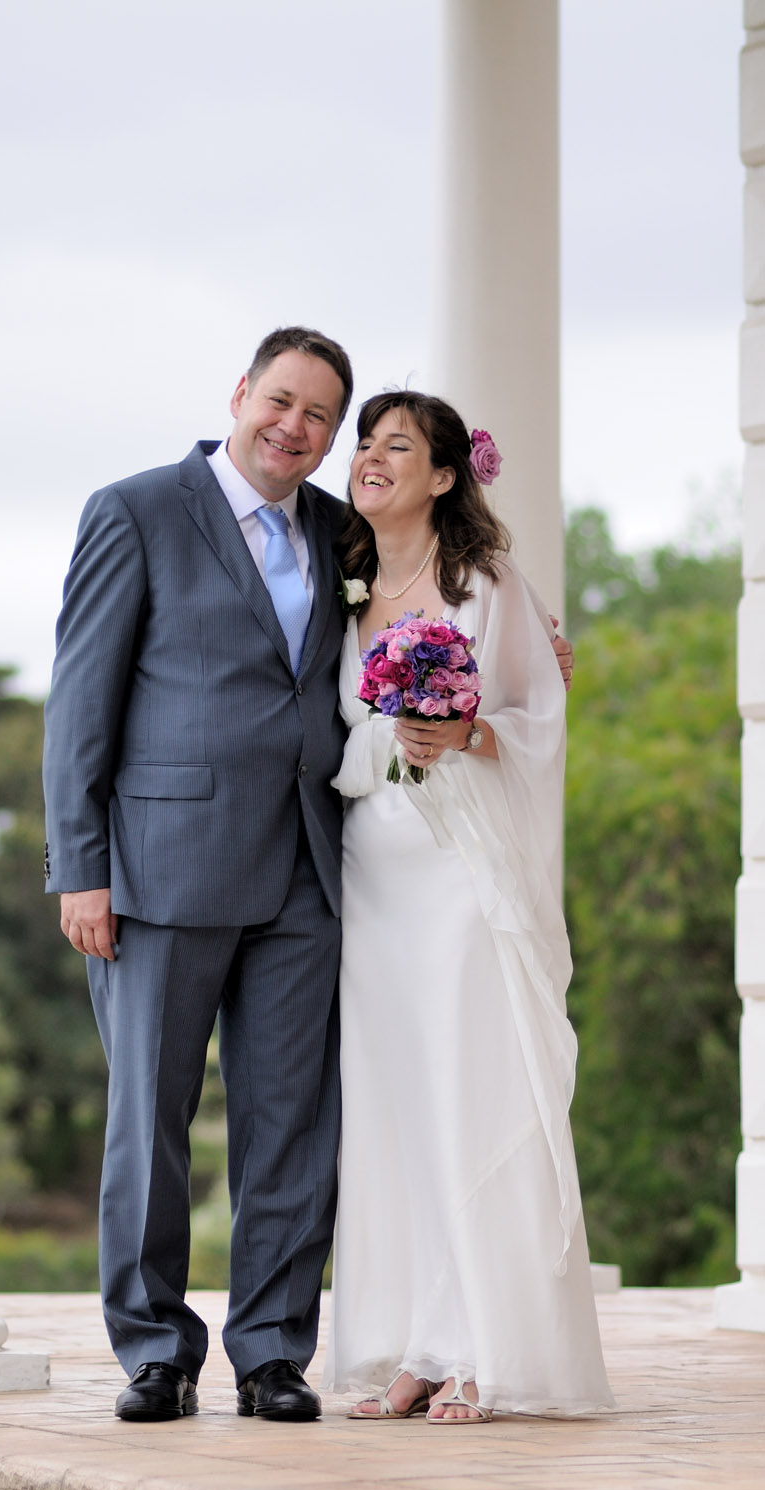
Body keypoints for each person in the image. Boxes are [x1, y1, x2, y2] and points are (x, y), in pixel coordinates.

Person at [43, 332, 575, 1425]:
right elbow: (78, 704)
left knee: (293, 1124)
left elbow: (457, 596)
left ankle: (273, 1352)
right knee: (151, 1120)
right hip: (161, 867)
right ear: (239, 395)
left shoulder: (343, 531)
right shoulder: (134, 510)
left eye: (319, 417)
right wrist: (80, 868)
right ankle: (155, 1350)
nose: (297, 426)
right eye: (280, 401)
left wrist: (527, 655)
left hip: (311, 873)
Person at [324, 390, 613, 1423]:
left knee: (468, 1089)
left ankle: (488, 1347)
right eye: (364, 441)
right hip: (373, 873)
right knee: (395, 1103)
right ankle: (418, 1340)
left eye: (394, 444)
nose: (369, 457)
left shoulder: (481, 581)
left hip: (459, 871)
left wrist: (468, 732)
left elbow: (540, 712)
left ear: (444, 475)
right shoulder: (339, 573)